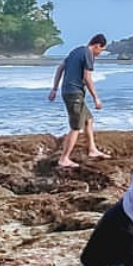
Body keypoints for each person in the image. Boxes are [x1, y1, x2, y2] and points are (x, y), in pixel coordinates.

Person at [48, 33, 110, 168]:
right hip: (74, 94)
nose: (100, 53)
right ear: (97, 45)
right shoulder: (88, 54)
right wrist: (96, 98)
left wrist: (54, 88)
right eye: (101, 50)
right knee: (76, 127)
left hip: (70, 92)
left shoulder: (76, 51)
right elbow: (87, 78)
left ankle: (92, 150)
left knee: (89, 120)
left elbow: (60, 68)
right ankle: (64, 158)